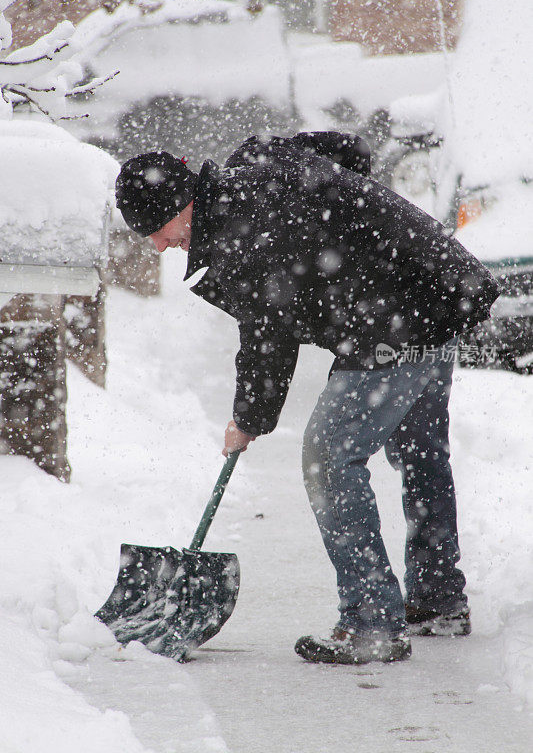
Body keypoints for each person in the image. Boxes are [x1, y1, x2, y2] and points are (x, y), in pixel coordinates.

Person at [115, 132, 500, 665]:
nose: (159, 246)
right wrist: (349, 231)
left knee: (329, 459)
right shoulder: (257, 169)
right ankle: (438, 601)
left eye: (156, 231)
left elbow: (268, 336)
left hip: (393, 320)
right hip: (437, 289)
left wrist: (247, 419)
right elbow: (349, 150)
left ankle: (371, 623)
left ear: (182, 203)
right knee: (419, 451)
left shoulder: (241, 230)